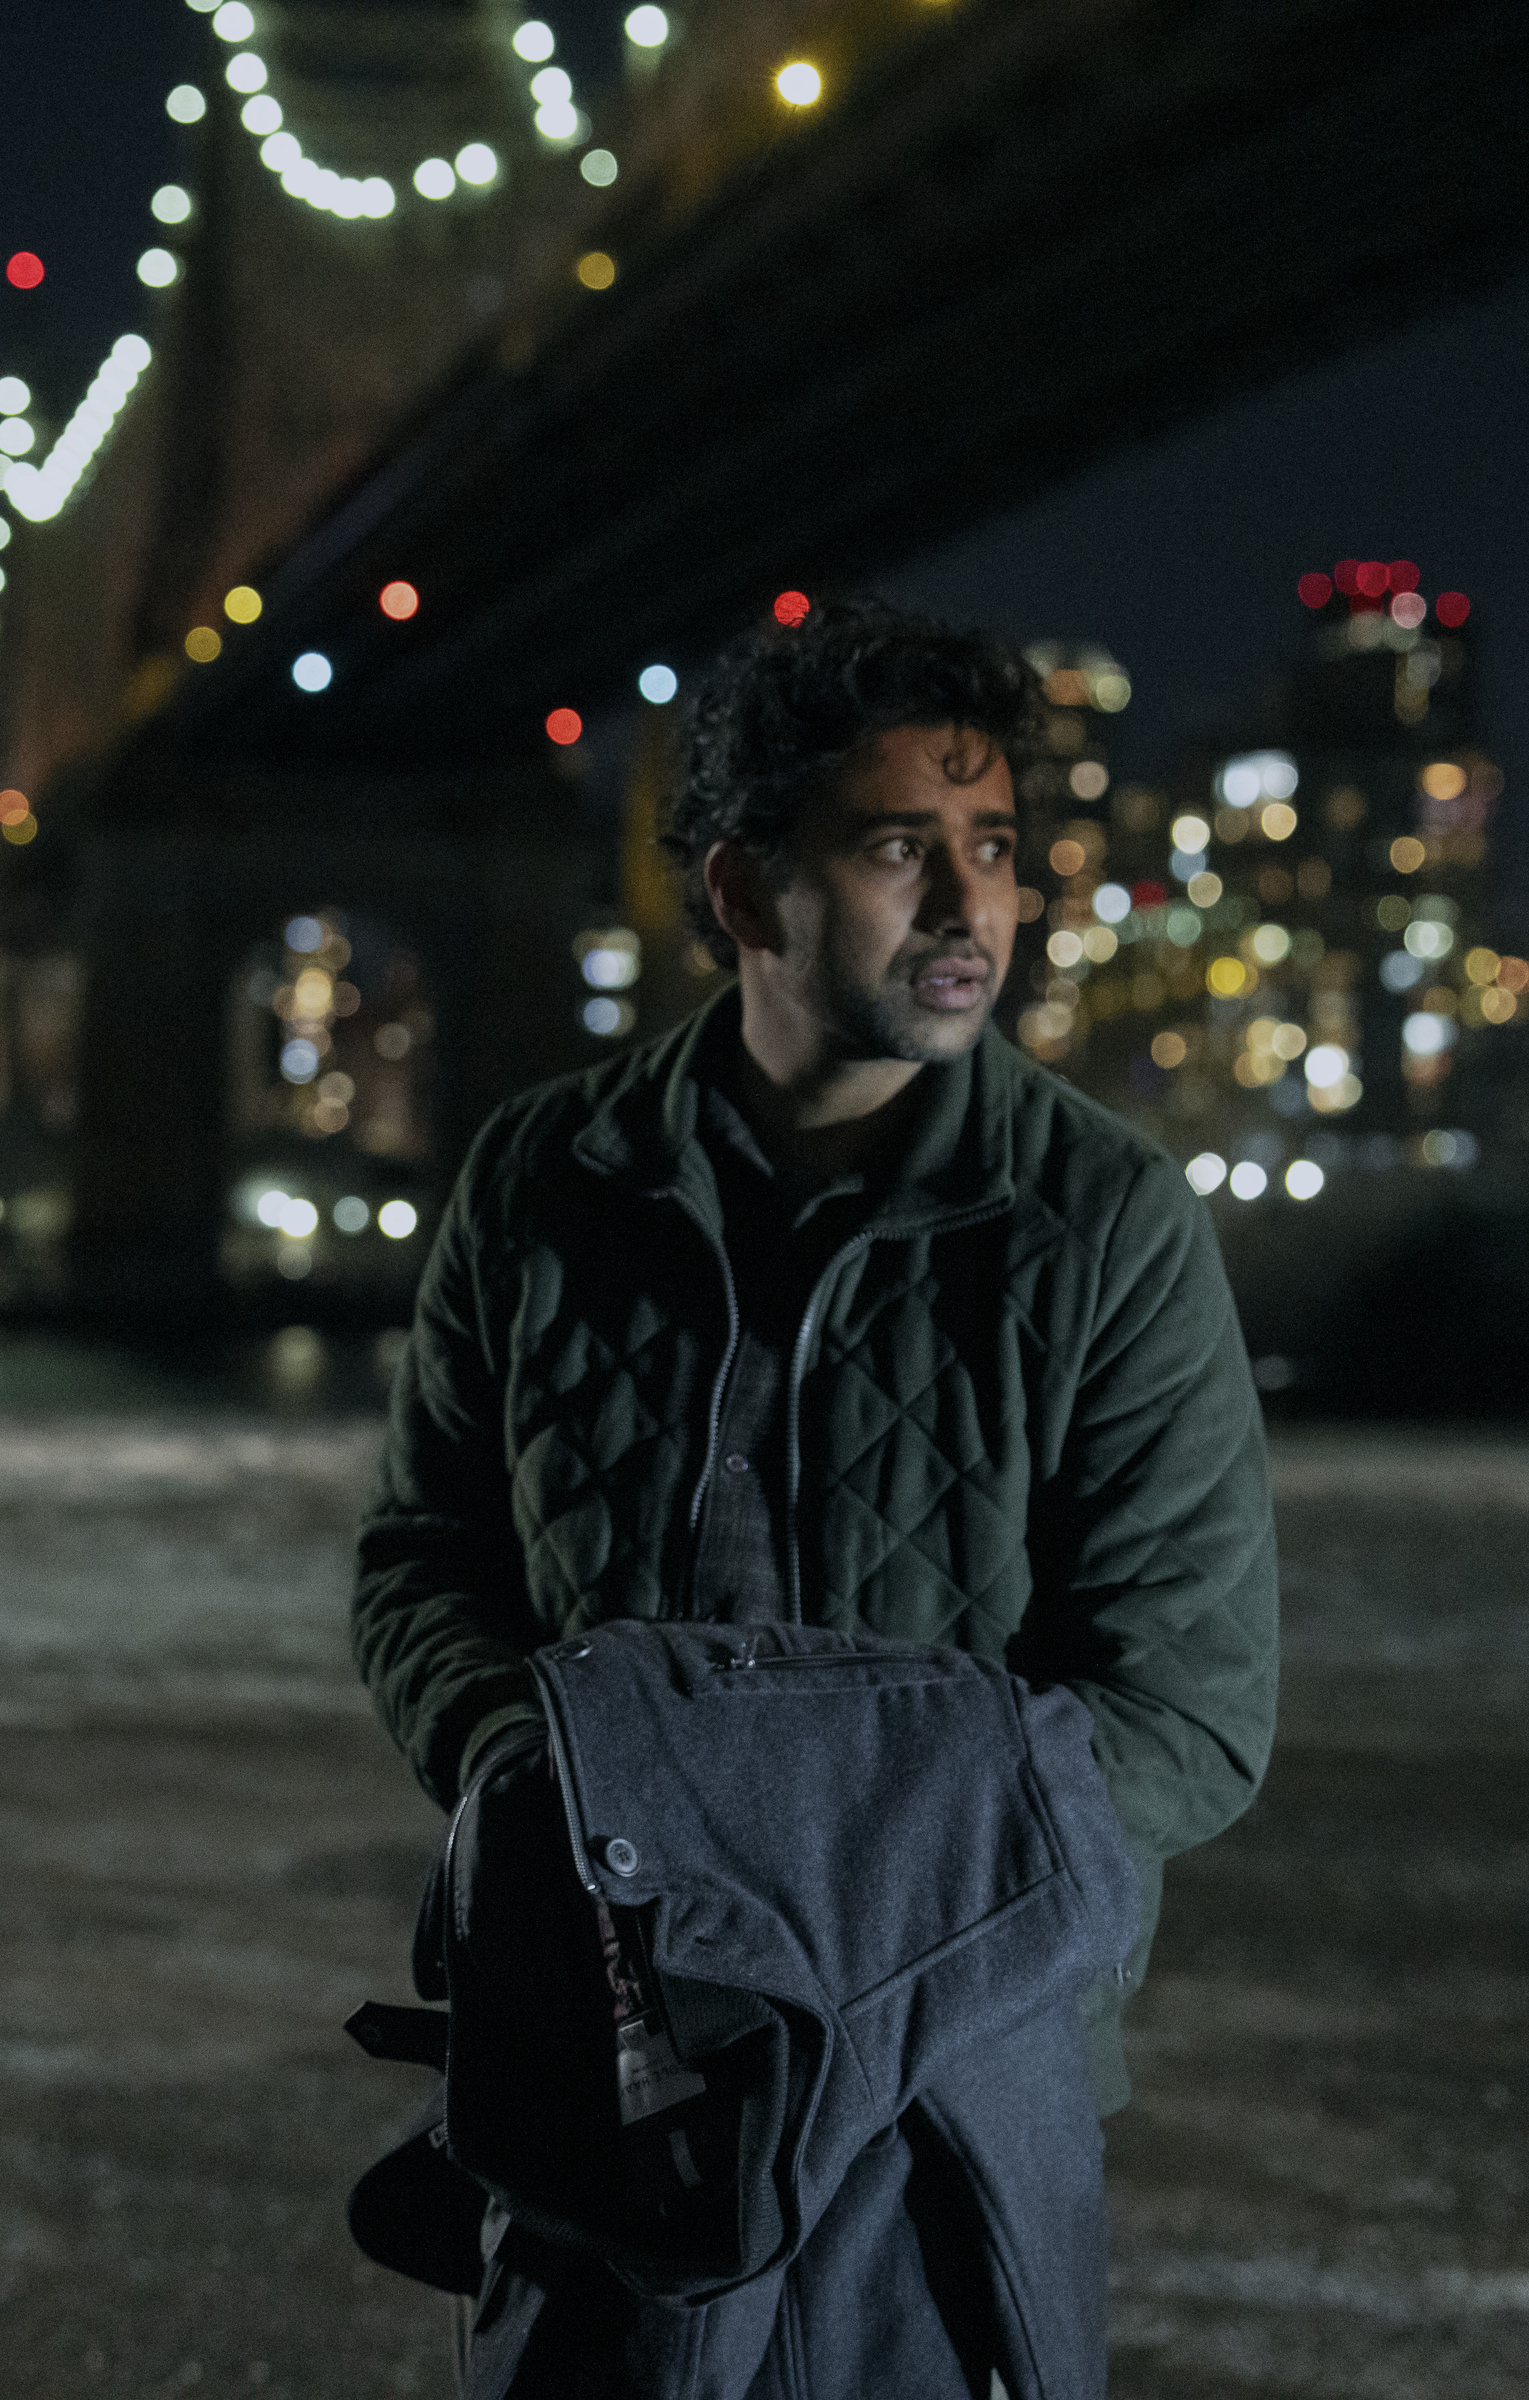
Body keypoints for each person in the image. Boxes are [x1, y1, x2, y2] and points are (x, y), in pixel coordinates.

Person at [352, 594, 1279, 2387]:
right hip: (599, 2057)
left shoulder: (1099, 1222)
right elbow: (424, 1561)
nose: (969, 910)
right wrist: (536, 1780)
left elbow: (1192, 1705)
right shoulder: (546, 1182)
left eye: (995, 849)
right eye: (896, 850)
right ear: (741, 893)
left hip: (956, 2088)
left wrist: (882, 1914)